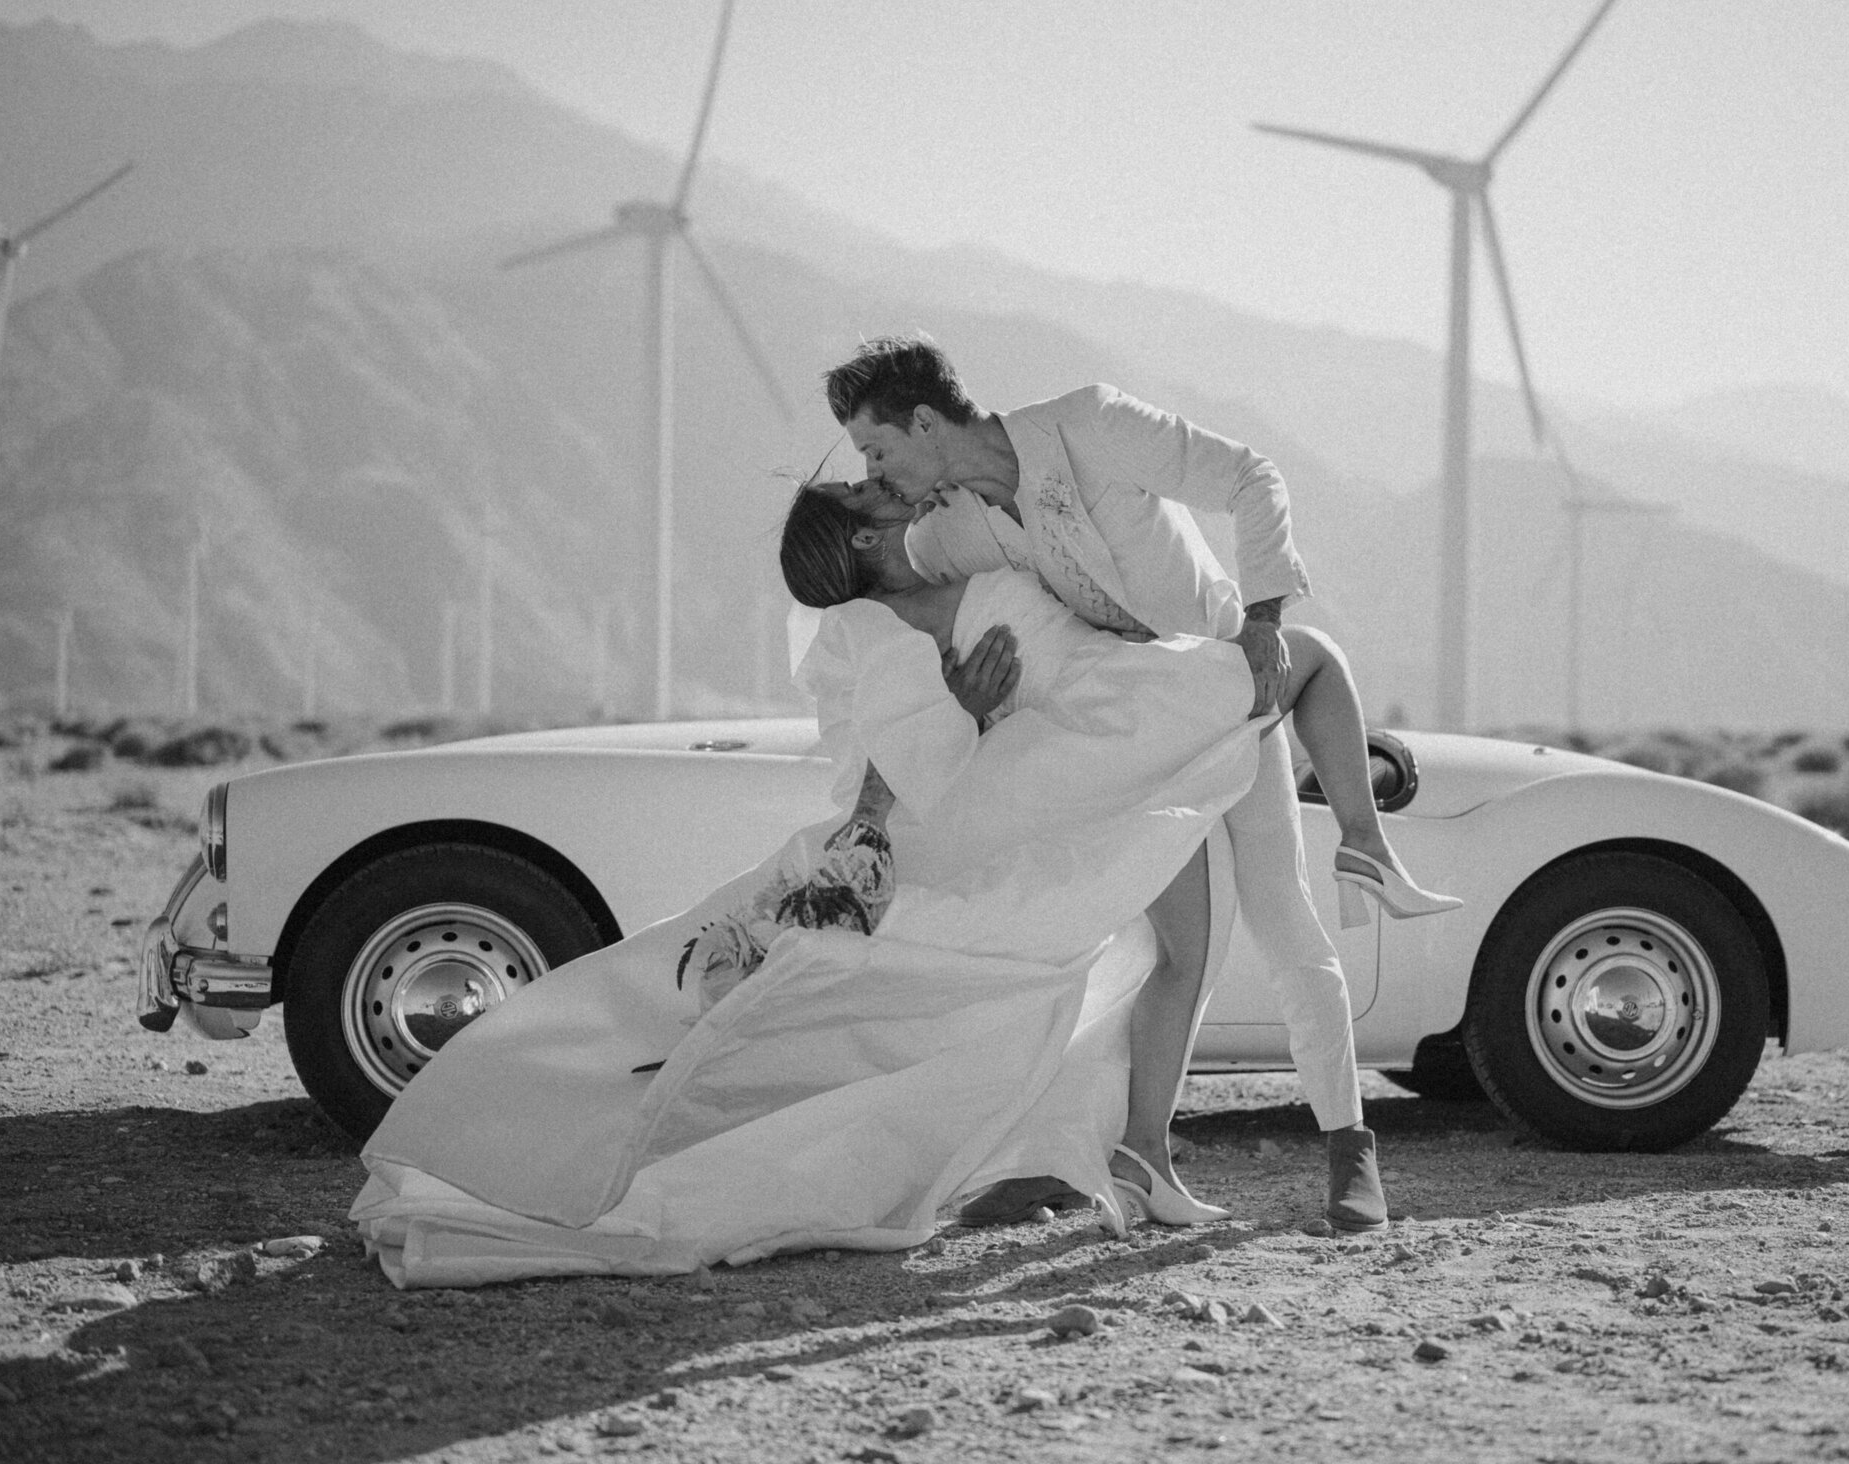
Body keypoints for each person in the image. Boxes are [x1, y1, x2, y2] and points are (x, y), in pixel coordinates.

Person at [349, 482, 1275, 1286]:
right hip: (978, 817)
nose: (891, 491)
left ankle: (1075, 1155)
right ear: (865, 540)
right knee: (891, 1005)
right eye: (872, 495)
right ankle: (577, 1148)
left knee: (1040, 979)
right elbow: (908, 769)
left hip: (1087, 764)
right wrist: (971, 710)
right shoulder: (870, 632)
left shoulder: (964, 562)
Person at [829, 335, 1457, 1235]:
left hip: (1233, 686)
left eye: (878, 448)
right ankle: (1105, 1158)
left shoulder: (1091, 423)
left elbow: (1253, 479)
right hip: (1137, 738)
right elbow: (918, 628)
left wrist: (1265, 619)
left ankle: (1351, 1161)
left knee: (1282, 919)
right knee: (1156, 954)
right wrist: (955, 709)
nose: (878, 471)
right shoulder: (948, 534)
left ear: (926, 420)